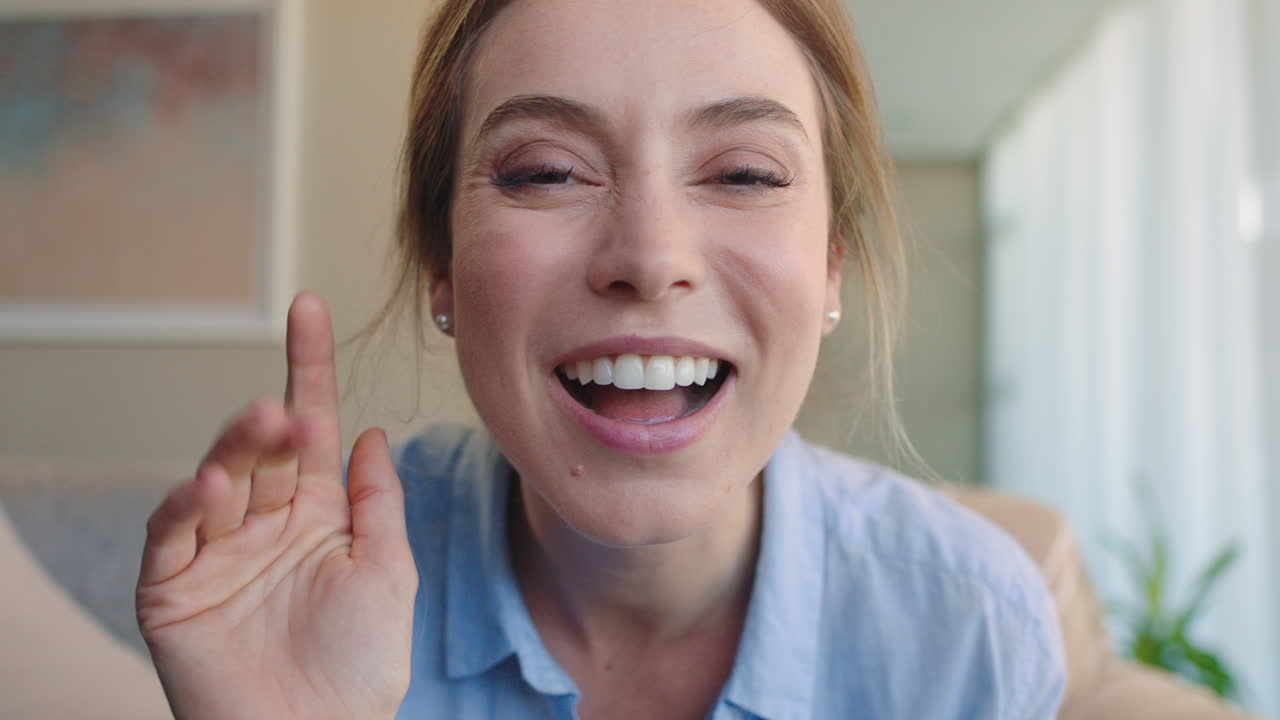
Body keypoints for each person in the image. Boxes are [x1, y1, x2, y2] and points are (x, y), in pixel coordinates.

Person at [136, 0, 1067, 717]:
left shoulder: (972, 635)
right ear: (440, 260)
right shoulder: (298, 599)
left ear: (832, 263)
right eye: (546, 170)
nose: (650, 257)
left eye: (744, 173)